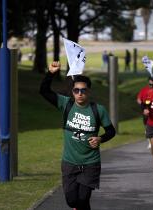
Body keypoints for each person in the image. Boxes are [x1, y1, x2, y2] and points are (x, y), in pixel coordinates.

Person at [40, 61, 116, 210]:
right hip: (69, 162)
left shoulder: (98, 110)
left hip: (90, 163)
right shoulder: (66, 104)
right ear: (73, 91)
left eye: (83, 90)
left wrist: (100, 138)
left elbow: (111, 131)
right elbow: (44, 91)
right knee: (72, 201)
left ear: (89, 91)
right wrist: (50, 73)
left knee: (82, 199)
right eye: (76, 90)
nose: (80, 93)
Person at [136, 76, 153, 149]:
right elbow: (138, 99)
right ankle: (150, 143)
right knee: (147, 128)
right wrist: (142, 105)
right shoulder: (144, 90)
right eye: (150, 84)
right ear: (148, 83)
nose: (151, 86)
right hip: (146, 112)